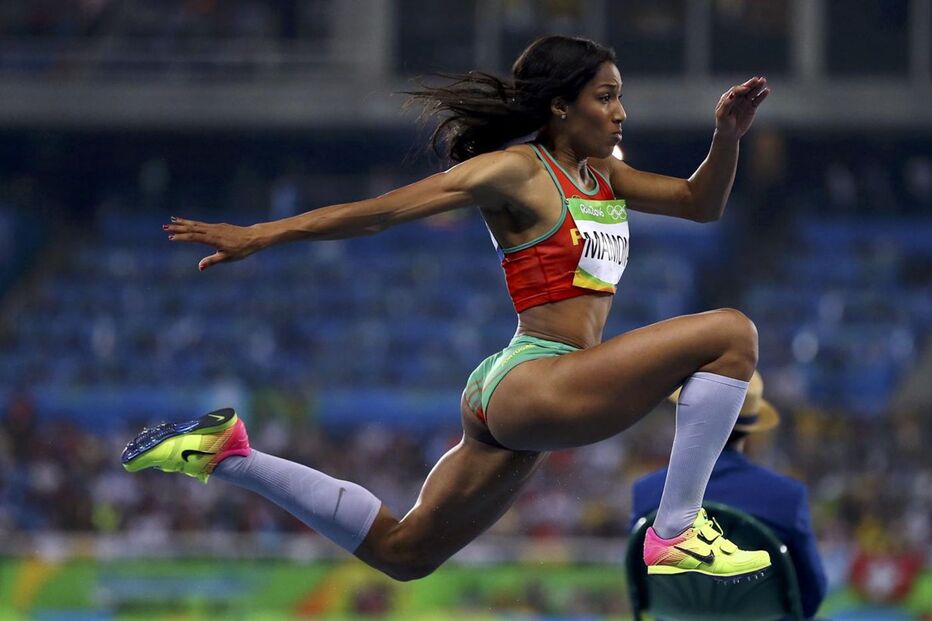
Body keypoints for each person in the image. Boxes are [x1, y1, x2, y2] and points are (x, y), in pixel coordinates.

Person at [123, 35, 772, 582]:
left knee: (405, 553)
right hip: (534, 379)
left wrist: (727, 135)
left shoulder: (605, 176)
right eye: (605, 97)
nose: (620, 112)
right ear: (560, 106)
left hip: (534, 387)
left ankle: (225, 453)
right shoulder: (517, 170)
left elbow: (700, 202)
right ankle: (677, 529)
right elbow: (381, 213)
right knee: (729, 333)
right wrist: (259, 235)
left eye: (619, 96)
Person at [630, 371, 828, 618]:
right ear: (750, 429)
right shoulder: (788, 496)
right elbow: (812, 593)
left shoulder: (646, 491)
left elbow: (640, 587)